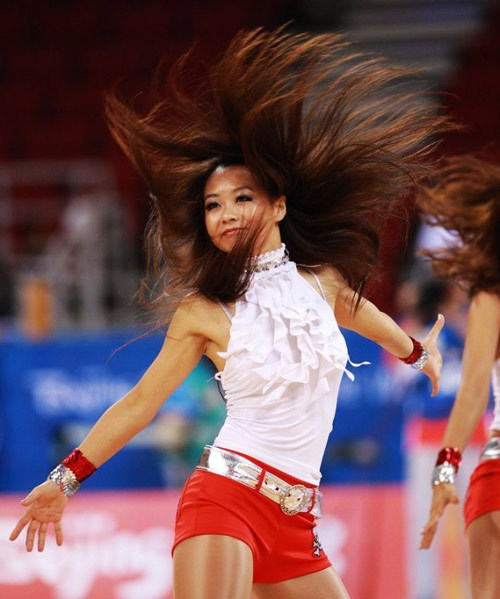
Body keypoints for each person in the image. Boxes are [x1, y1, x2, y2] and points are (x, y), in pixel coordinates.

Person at [10, 28, 447, 599]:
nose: (226, 214)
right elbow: (140, 403)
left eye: (243, 197)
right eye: (213, 205)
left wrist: (420, 352)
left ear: (279, 204)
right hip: (226, 500)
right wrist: (64, 481)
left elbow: (387, 333)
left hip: (298, 521)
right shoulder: (203, 312)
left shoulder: (326, 286)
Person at [418, 156, 500, 599]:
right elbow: (471, 390)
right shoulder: (492, 293)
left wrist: (444, 475)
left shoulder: (491, 294)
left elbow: (472, 390)